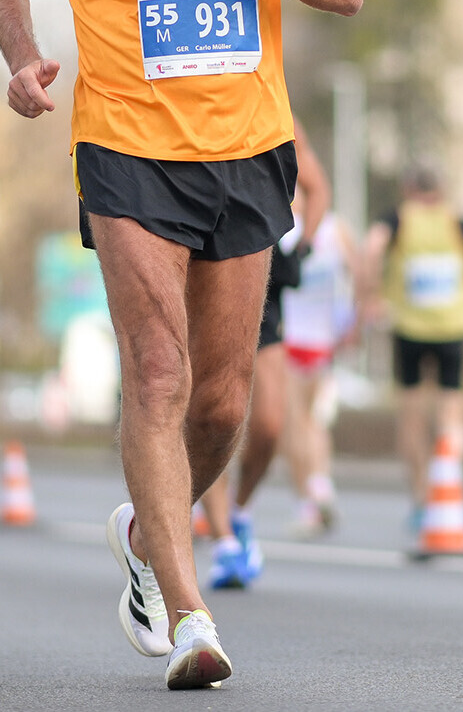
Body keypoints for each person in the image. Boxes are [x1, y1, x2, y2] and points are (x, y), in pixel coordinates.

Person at [0, 0, 363, 690]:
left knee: (224, 400)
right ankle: (188, 615)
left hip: (245, 148)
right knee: (157, 372)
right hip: (126, 148)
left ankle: (150, 533)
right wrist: (21, 58)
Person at [198, 120, 329, 589]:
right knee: (210, 412)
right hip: (201, 265)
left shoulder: (276, 111)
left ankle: (239, 510)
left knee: (270, 423)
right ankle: (224, 541)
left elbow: (317, 187)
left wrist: (304, 248)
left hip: (259, 270)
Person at [363, 164, 463, 532]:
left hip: (410, 327)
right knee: (452, 413)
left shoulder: (399, 218)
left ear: (408, 189)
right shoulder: (457, 221)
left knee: (411, 417)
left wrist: (372, 294)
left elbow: (372, 247)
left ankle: (420, 495)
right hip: (455, 327)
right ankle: (449, 469)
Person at [279, 204, 357, 537]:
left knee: (293, 422)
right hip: (323, 338)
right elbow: (359, 271)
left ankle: (308, 504)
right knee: (312, 419)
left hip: (290, 335)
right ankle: (322, 484)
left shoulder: (281, 225)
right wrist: (351, 321)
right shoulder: (335, 227)